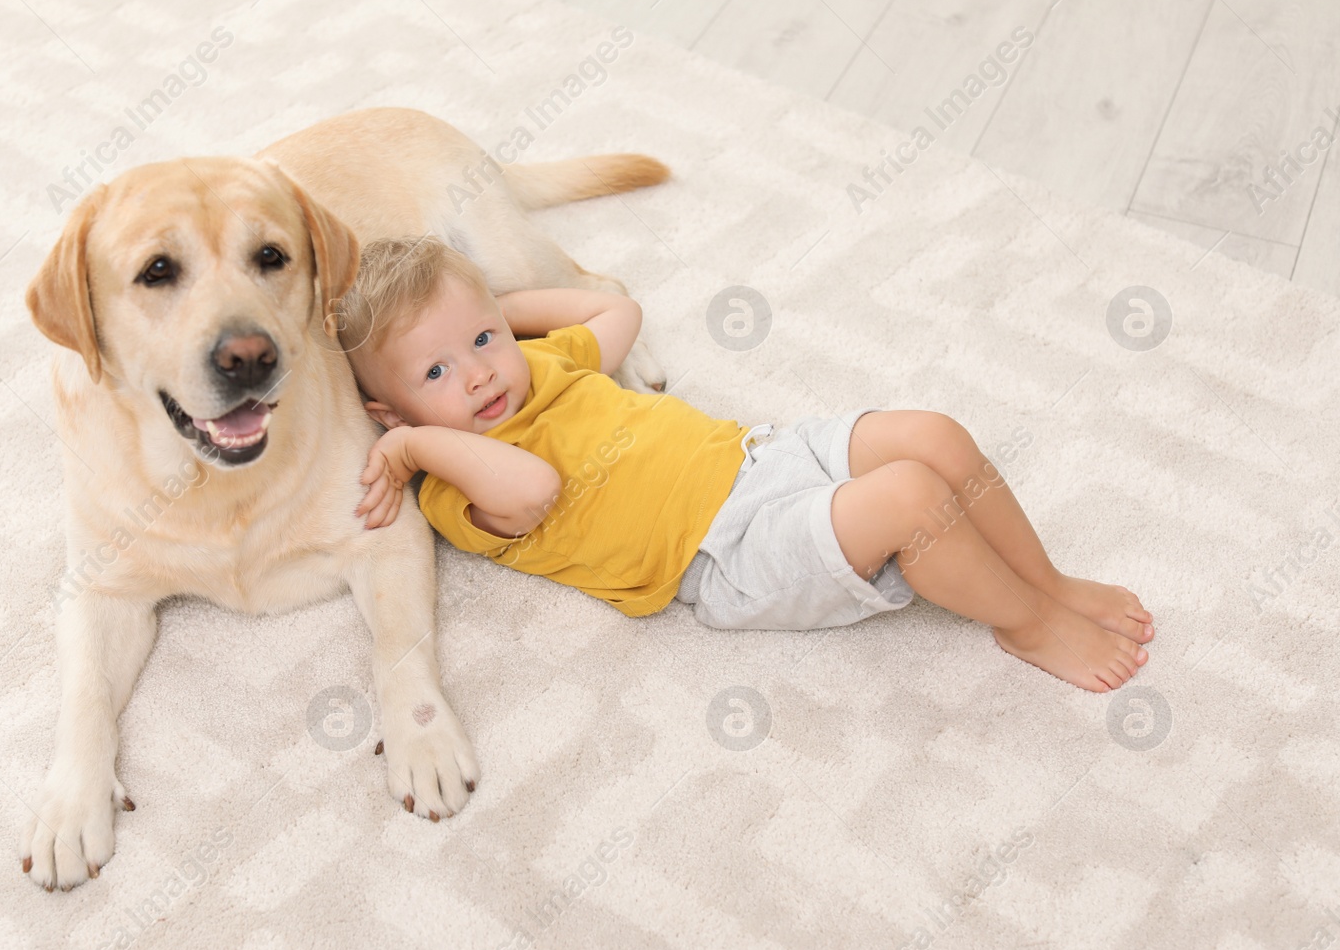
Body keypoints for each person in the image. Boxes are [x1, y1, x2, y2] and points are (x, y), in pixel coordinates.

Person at [337, 236, 1152, 692]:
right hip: (725, 553)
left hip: (759, 454)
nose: (478, 373)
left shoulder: (539, 365)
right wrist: (411, 447)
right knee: (911, 498)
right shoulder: (455, 482)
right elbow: (536, 489)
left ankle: (1047, 580)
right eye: (436, 372)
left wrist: (491, 310)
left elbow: (618, 310)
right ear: (393, 415)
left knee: (933, 434)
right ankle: (1028, 624)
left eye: (481, 343)